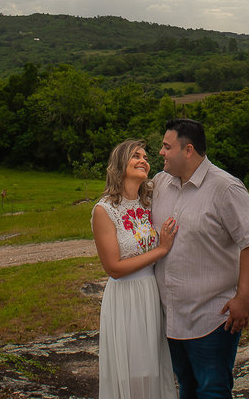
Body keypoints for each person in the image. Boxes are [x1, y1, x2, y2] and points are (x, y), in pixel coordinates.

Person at [152, 119, 249, 399]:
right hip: (171, 316)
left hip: (212, 318)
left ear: (188, 150)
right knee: (186, 387)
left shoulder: (226, 188)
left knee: (212, 389)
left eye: (167, 147)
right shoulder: (160, 183)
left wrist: (243, 299)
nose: (161, 152)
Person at [92, 139, 180, 399]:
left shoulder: (148, 203)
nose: (143, 160)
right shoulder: (105, 210)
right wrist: (161, 250)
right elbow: (114, 267)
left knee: (153, 368)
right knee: (132, 371)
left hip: (151, 294)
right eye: (135, 156)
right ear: (120, 163)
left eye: (145, 156)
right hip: (126, 298)